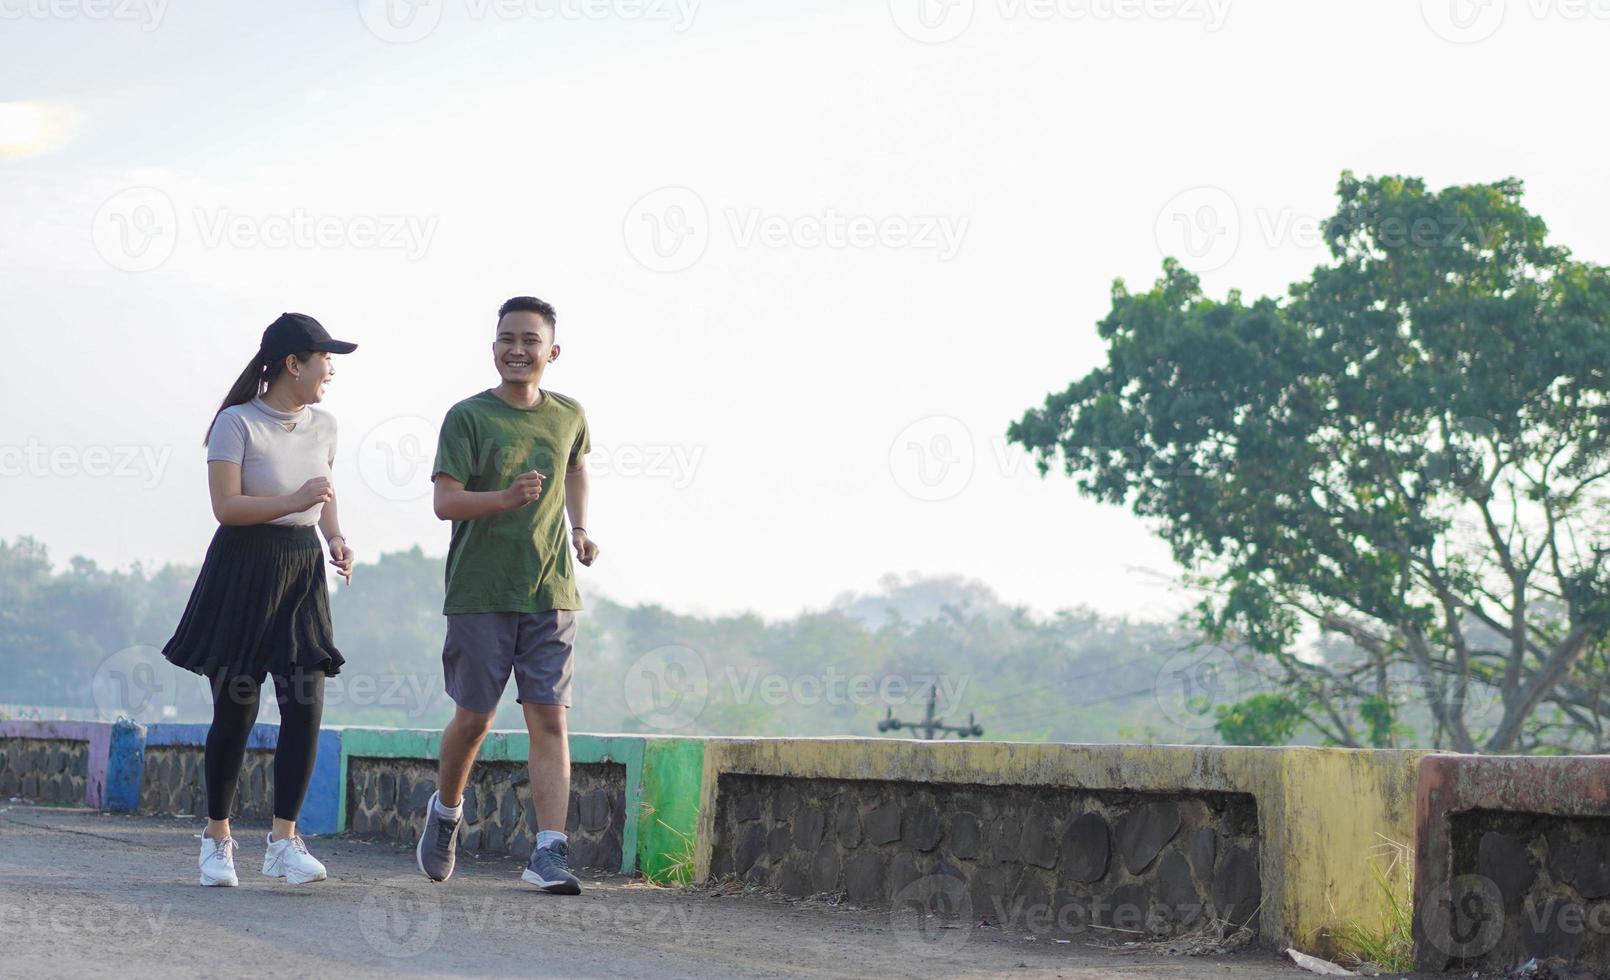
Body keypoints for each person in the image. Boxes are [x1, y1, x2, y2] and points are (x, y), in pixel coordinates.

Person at [162, 312, 357, 887]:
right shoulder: (235, 423)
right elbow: (227, 507)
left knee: (305, 701)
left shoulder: (325, 425)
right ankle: (217, 839)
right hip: (245, 566)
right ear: (293, 363)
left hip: (301, 568)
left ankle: (283, 841)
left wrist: (336, 538)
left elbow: (323, 494)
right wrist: (292, 498)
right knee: (238, 705)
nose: (331, 371)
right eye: (325, 359)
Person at [415, 295, 598, 894]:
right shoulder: (468, 418)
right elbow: (446, 503)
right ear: (493, 347)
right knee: (474, 719)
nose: (517, 349)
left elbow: (575, 468)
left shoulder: (568, 414)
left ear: (552, 351)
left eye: (529, 339)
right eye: (506, 339)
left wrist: (579, 529)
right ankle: (445, 815)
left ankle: (548, 852)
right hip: (479, 591)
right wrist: (504, 499)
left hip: (551, 590)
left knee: (549, 717)